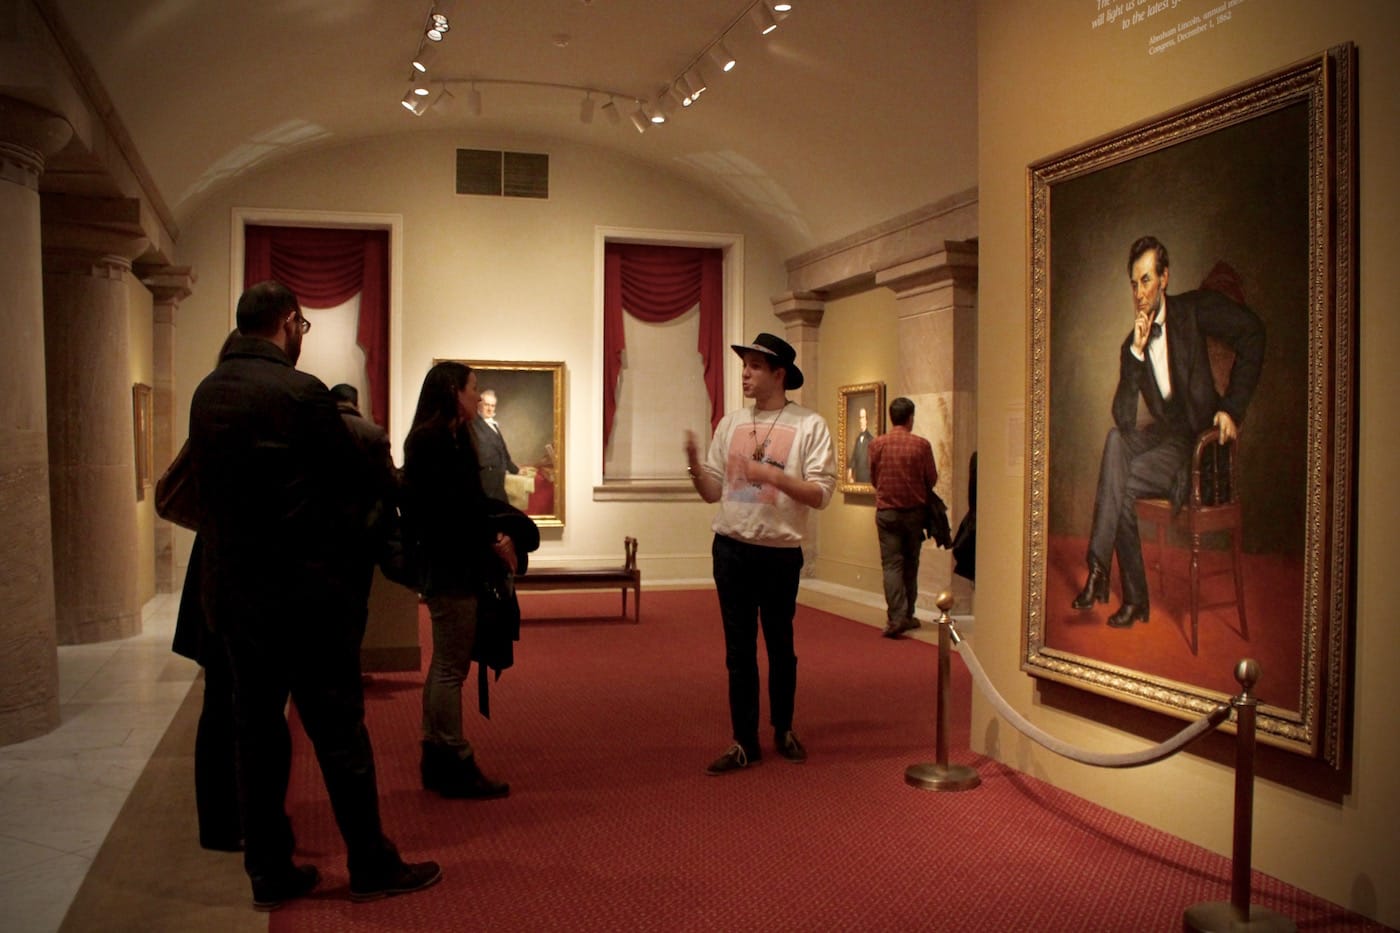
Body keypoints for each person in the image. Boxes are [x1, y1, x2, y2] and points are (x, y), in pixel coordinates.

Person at [188, 281, 440, 909]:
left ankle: (269, 870)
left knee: (256, 731)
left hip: (235, 594)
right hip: (303, 597)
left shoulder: (209, 390)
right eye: (300, 327)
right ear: (289, 325)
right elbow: (352, 479)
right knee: (338, 732)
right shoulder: (300, 394)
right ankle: (370, 862)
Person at [1072, 237, 1265, 629]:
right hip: (1168, 443)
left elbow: (1253, 333)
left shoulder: (1193, 311)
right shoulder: (1132, 345)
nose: (1140, 293)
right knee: (1114, 442)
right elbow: (1124, 420)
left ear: (1164, 278)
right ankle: (1105, 574)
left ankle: (1113, 582)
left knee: (1121, 485)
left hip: (1200, 452)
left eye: (1146, 280)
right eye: (1134, 284)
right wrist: (1138, 355)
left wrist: (1232, 407)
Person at [683, 332, 836, 775]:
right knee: (738, 650)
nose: (745, 374)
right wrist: (695, 466)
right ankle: (744, 740)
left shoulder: (810, 425)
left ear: (779, 374)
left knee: (780, 645)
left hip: (779, 553)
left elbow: (821, 494)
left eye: (754, 366)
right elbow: (713, 491)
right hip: (731, 548)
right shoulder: (730, 423)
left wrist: (768, 474)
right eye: (744, 365)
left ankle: (783, 728)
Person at [401, 362, 515, 800]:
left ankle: (437, 751)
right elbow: (452, 511)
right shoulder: (434, 441)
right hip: (450, 566)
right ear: (453, 392)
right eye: (472, 388)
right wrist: (491, 540)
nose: (476, 395)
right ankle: (452, 757)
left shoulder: (445, 437)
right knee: (452, 666)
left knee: (446, 663)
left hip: (449, 562)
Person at [868, 397, 938, 638]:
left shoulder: (877, 444)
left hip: (887, 513)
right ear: (910, 418)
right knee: (911, 564)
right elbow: (932, 478)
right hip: (914, 513)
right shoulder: (921, 445)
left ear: (891, 417)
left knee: (891, 565)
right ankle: (906, 615)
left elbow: (874, 477)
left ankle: (896, 616)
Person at [470, 388, 519, 503]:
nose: (489, 408)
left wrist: (516, 470)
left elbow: (503, 452)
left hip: (498, 480)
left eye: (492, 405)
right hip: (485, 480)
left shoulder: (493, 425)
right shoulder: (473, 424)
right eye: (486, 404)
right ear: (479, 405)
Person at [846, 407, 873, 483]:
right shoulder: (858, 439)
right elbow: (854, 457)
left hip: (867, 479)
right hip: (858, 477)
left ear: (866, 420)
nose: (861, 420)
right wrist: (850, 471)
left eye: (863, 417)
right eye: (860, 418)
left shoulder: (871, 439)